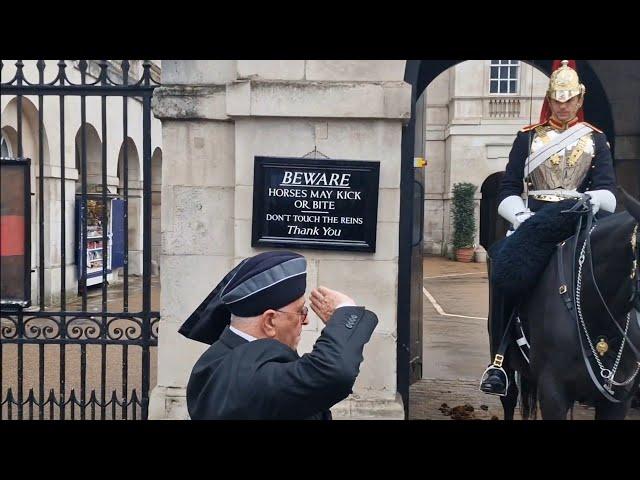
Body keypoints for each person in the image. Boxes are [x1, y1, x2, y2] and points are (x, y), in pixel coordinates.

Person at [480, 60, 618, 396]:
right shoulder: (527, 139)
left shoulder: (595, 141)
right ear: (549, 99)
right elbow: (509, 188)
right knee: (504, 271)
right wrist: (521, 218)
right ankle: (500, 362)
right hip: (533, 224)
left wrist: (589, 202)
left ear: (580, 100)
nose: (563, 105)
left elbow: (608, 189)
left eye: (569, 99)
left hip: (580, 224)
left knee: (618, 276)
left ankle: (618, 356)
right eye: (557, 99)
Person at [178, 250, 378, 419]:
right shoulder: (248, 376)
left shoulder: (219, 357)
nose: (306, 320)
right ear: (270, 321)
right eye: (301, 312)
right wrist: (345, 311)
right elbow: (333, 373)